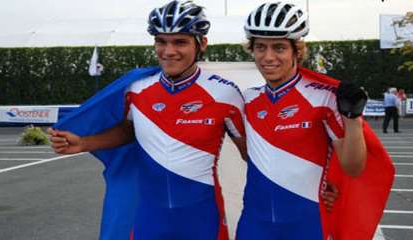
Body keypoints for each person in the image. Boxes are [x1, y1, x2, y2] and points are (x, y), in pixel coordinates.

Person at [49, 1, 247, 239]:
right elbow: (128, 131)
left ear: (201, 44)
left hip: (203, 217)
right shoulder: (137, 89)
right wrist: (84, 143)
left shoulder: (225, 93)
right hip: (148, 216)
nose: (168, 50)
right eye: (161, 41)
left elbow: (252, 154)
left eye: (180, 42)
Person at [236, 2, 369, 239]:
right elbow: (250, 152)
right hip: (254, 225)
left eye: (279, 48)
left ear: (297, 51)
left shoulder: (324, 97)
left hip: (307, 225)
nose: (268, 57)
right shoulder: (246, 100)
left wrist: (353, 119)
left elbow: (354, 167)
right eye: (260, 47)